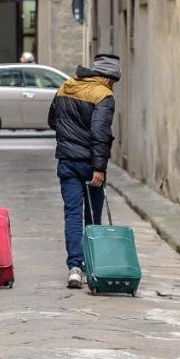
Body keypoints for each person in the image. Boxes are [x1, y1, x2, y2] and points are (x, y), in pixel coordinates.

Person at [47, 53, 120, 289]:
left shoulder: (65, 88)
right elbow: (100, 133)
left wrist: (70, 133)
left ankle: (74, 268)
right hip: (90, 164)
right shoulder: (103, 95)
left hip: (67, 161)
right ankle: (92, 264)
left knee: (72, 214)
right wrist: (99, 168)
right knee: (92, 216)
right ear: (108, 79)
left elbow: (52, 120)